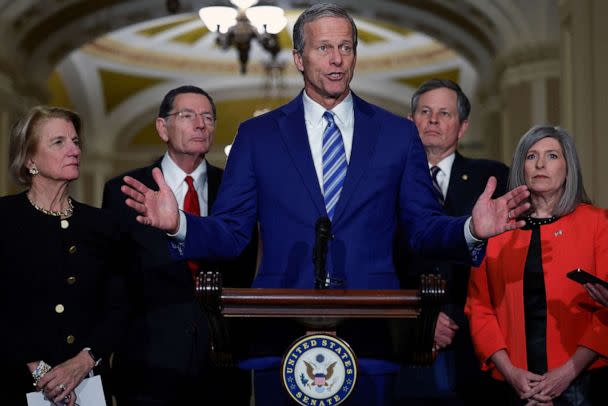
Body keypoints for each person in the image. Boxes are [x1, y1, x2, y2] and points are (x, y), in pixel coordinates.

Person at [120, 3, 530, 404]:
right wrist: (182, 225)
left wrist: (470, 229)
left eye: (346, 47)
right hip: (279, 333)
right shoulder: (257, 136)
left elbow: (423, 228)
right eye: (323, 48)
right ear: (298, 58)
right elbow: (231, 233)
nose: (337, 60)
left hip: (372, 334)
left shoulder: (396, 135)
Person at [102, 85, 257, 405]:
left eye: (208, 117)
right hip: (148, 365)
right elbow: (115, 281)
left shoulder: (237, 189)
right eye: (187, 115)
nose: (201, 124)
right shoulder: (125, 191)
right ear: (163, 127)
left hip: (222, 365)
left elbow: (244, 270)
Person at [465, 125, 608, 405]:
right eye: (532, 156)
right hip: (512, 381)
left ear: (569, 167)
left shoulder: (597, 223)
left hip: (581, 381)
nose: (541, 164)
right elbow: (478, 307)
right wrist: (510, 372)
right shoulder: (497, 226)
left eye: (552, 156)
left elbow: (605, 308)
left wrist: (567, 374)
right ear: (522, 167)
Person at [0, 106, 127, 405]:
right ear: (30, 158)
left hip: (90, 386)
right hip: (15, 383)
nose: (74, 150)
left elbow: (120, 306)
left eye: (75, 142)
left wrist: (84, 362)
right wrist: (44, 374)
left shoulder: (103, 225)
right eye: (59, 142)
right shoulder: (4, 218)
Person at [395, 79, 509, 404]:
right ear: (409, 121)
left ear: (462, 128)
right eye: (425, 111)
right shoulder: (384, 180)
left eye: (444, 113)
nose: (433, 120)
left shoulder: (493, 178)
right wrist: (416, 314)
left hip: (474, 340)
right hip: (403, 338)